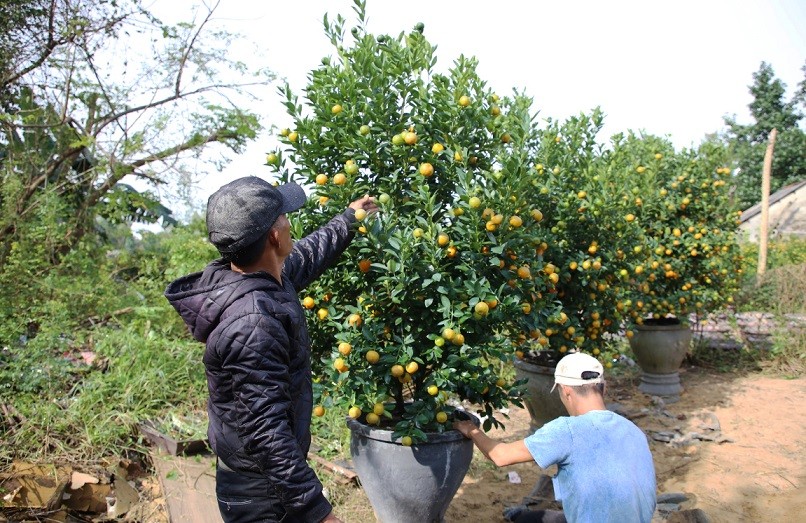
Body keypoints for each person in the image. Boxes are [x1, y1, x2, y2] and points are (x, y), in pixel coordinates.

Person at [165, 176, 377, 523]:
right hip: (262, 493)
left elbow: (308, 254)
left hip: (263, 479)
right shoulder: (253, 322)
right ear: (275, 237)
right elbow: (266, 432)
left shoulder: (257, 278)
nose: (290, 222)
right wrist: (317, 511)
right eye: (285, 217)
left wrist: (348, 218)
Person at [454, 352, 656, 523]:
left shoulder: (568, 430)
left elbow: (501, 456)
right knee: (530, 517)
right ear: (604, 387)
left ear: (567, 392)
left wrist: (470, 429)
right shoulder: (634, 431)